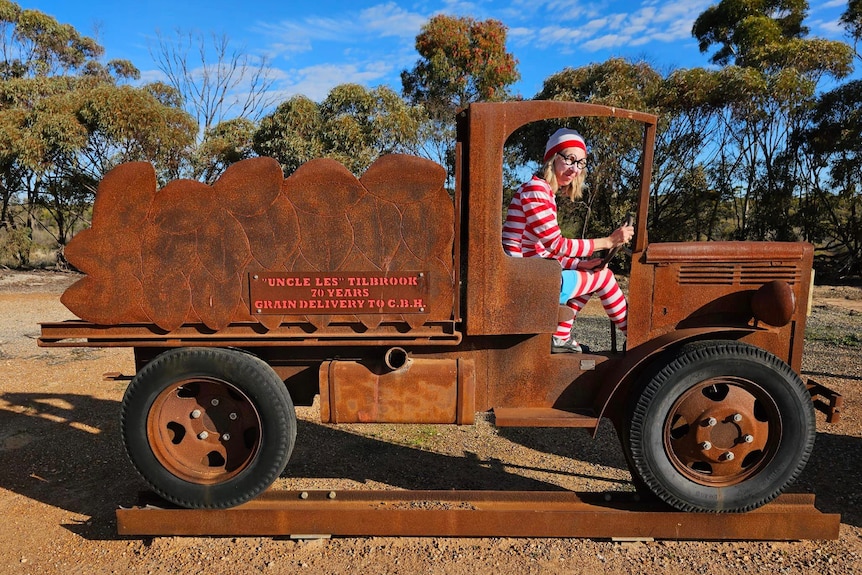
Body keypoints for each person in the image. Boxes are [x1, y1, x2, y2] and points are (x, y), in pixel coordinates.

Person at [502, 128, 634, 353]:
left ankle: (559, 336)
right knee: (604, 277)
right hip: (523, 281)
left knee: (594, 273)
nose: (574, 169)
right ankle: (636, 335)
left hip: (530, 274)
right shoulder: (535, 190)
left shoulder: (543, 192)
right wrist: (609, 241)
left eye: (580, 163)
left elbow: (541, 251)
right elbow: (557, 245)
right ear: (553, 158)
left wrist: (578, 264)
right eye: (569, 159)